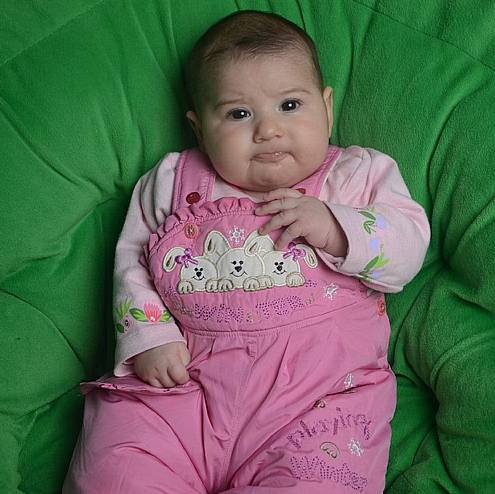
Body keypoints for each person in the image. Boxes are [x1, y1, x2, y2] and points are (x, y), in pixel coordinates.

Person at [63, 10, 430, 494]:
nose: (268, 130)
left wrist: (337, 227)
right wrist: (148, 336)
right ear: (199, 128)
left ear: (327, 107)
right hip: (181, 391)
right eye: (239, 114)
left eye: (290, 105)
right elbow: (133, 260)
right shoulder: (172, 181)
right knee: (114, 469)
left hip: (318, 405)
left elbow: (407, 248)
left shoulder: (356, 176)